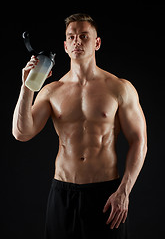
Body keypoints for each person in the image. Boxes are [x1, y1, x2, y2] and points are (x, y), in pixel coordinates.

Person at [12, 13, 147, 239]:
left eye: (84, 36)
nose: (77, 41)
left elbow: (139, 141)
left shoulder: (119, 88)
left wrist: (124, 191)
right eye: (72, 37)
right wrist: (27, 87)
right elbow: (21, 133)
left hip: (106, 194)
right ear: (65, 46)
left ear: (97, 42)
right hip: (63, 193)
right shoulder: (52, 91)